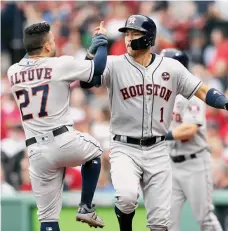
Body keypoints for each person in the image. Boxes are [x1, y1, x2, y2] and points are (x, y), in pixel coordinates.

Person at [80, 14, 228, 231]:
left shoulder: (171, 67)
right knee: (127, 198)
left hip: (159, 149)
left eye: (134, 33)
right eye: (127, 34)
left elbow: (203, 91)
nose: (128, 38)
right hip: (124, 146)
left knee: (159, 224)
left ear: (149, 38)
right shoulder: (114, 63)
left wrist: (225, 103)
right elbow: (87, 80)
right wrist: (92, 52)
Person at [7, 21, 108, 231]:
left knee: (47, 219)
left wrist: (86, 55)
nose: (54, 44)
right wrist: (102, 43)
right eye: (52, 41)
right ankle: (86, 207)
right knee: (95, 151)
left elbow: (33, 59)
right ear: (46, 46)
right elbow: (98, 67)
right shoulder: (60, 64)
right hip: (62, 140)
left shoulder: (13, 71)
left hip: (35, 153)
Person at [160, 48, 223, 231]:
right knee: (166, 219)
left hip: (194, 162)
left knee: (205, 218)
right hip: (171, 164)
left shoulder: (191, 93)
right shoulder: (162, 92)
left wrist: (163, 135)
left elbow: (190, 129)